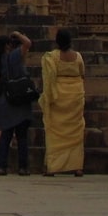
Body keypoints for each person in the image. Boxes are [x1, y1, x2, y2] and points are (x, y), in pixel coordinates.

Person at [39, 28, 86, 176]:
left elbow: (48, 79)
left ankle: (52, 167)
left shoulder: (51, 57)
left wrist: (47, 97)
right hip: (75, 97)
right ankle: (77, 167)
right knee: (76, 133)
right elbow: (82, 74)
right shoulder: (78, 57)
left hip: (58, 97)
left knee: (54, 133)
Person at [0, 30, 33, 175]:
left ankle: (2, 166)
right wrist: (18, 34)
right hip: (20, 99)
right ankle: (23, 167)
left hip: (5, 100)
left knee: (6, 135)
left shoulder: (0, 60)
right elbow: (28, 43)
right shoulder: (15, 56)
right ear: (7, 45)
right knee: (22, 136)